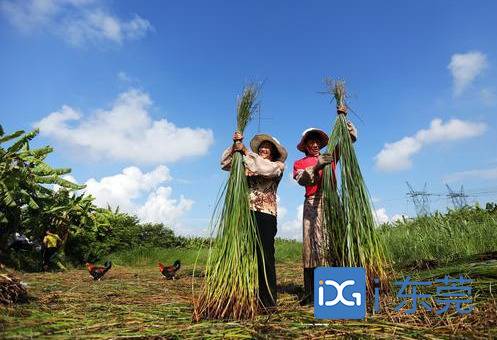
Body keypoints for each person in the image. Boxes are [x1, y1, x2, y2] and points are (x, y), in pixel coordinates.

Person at [221, 131, 287, 309]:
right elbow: (225, 163)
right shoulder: (248, 162)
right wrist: (235, 145)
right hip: (245, 213)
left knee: (265, 256)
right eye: (263, 146)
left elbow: (263, 168)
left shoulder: (277, 166)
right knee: (244, 254)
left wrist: (245, 152)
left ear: (273, 152)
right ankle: (242, 296)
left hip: (266, 215)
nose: (265, 149)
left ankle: (268, 301)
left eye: (269, 147)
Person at [293, 120, 357, 304]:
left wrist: (344, 120)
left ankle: (336, 290)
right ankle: (311, 293)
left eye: (317, 142)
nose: (314, 145)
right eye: (310, 141)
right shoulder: (300, 163)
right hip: (313, 204)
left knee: (333, 242)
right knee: (312, 245)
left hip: (332, 202)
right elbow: (301, 179)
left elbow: (348, 139)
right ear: (305, 145)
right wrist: (317, 166)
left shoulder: (330, 156)